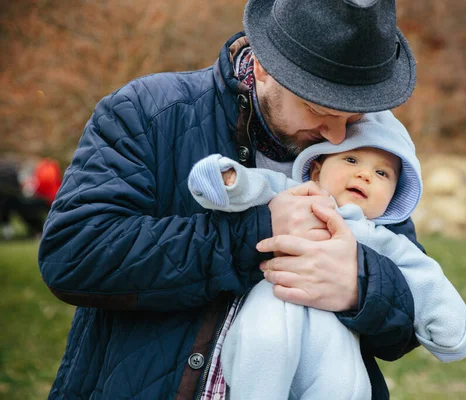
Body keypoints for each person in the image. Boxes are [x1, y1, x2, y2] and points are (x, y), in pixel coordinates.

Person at [38, 0, 422, 399]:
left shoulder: (376, 148)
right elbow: (73, 253)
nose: (340, 137)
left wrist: (359, 287)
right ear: (262, 67)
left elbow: (411, 315)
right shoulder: (149, 111)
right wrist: (253, 235)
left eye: (354, 117)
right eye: (318, 109)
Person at [188, 111, 466, 399]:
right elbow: (259, 185)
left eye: (382, 173)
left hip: (334, 330)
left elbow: (421, 274)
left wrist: (449, 327)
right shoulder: (298, 196)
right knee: (266, 345)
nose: (364, 174)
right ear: (316, 171)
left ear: (393, 196)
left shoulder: (382, 240)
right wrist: (228, 180)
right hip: (275, 301)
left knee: (343, 383)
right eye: (351, 160)